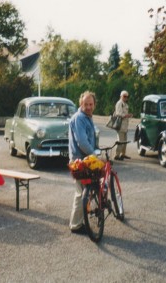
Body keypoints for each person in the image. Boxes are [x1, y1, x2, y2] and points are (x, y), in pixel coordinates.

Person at [68, 91, 99, 234]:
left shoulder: (87, 117)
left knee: (85, 191)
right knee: (81, 193)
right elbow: (81, 141)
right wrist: (94, 154)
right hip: (80, 161)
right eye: (86, 104)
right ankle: (75, 225)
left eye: (91, 104)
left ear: (94, 104)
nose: (88, 106)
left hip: (85, 159)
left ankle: (81, 221)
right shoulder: (79, 118)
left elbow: (89, 138)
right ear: (81, 104)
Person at [114, 90, 133, 160]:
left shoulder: (125, 104)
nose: (126, 98)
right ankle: (117, 155)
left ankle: (123, 154)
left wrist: (128, 116)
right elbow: (118, 114)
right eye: (124, 96)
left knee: (125, 141)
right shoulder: (119, 103)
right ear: (121, 96)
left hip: (125, 126)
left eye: (127, 96)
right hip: (120, 125)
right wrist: (127, 115)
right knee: (120, 141)